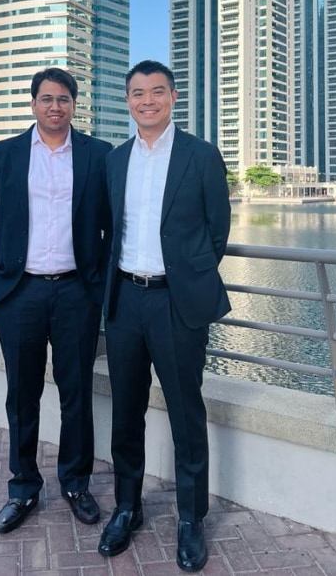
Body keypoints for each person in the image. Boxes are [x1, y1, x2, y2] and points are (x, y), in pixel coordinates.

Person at [96, 60, 232, 572]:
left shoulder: (201, 155)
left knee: (185, 413)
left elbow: (217, 231)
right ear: (127, 101)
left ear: (173, 97)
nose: (147, 100)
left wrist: (186, 280)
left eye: (157, 91)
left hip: (176, 303)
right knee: (126, 412)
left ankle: (190, 519)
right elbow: (110, 228)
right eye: (138, 93)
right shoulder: (115, 160)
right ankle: (127, 507)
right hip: (126, 302)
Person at [0, 67, 112, 534]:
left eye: (64, 99)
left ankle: (76, 484)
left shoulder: (98, 155)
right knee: (22, 394)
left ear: (74, 105)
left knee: (77, 394)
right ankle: (23, 488)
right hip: (19, 292)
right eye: (47, 98)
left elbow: (113, 225)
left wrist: (99, 286)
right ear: (33, 103)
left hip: (77, 293)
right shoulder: (4, 154)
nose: (55, 106)